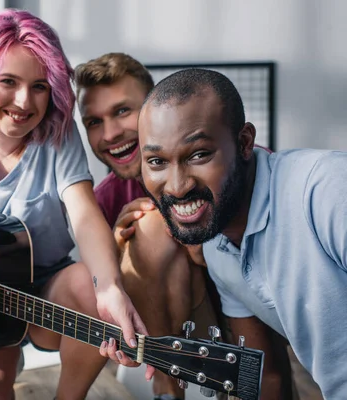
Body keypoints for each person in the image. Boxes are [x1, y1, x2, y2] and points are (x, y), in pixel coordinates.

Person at [0, 9, 150, 400]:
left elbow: (84, 213)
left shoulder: (57, 130)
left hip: (46, 292)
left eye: (39, 86)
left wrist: (110, 289)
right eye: (8, 82)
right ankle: (3, 360)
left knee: (93, 287)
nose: (24, 101)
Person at [105, 67, 345, 399]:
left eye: (199, 154)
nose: (177, 186)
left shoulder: (326, 189)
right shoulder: (219, 250)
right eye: (157, 161)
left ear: (244, 142)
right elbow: (266, 377)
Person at [75, 53, 230, 400]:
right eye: (94, 122)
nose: (111, 133)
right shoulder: (103, 200)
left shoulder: (222, 164)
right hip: (160, 342)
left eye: (121, 111)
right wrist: (117, 250)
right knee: (138, 229)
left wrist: (200, 250)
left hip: (239, 324)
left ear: (152, 109)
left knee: (150, 225)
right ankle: (165, 383)